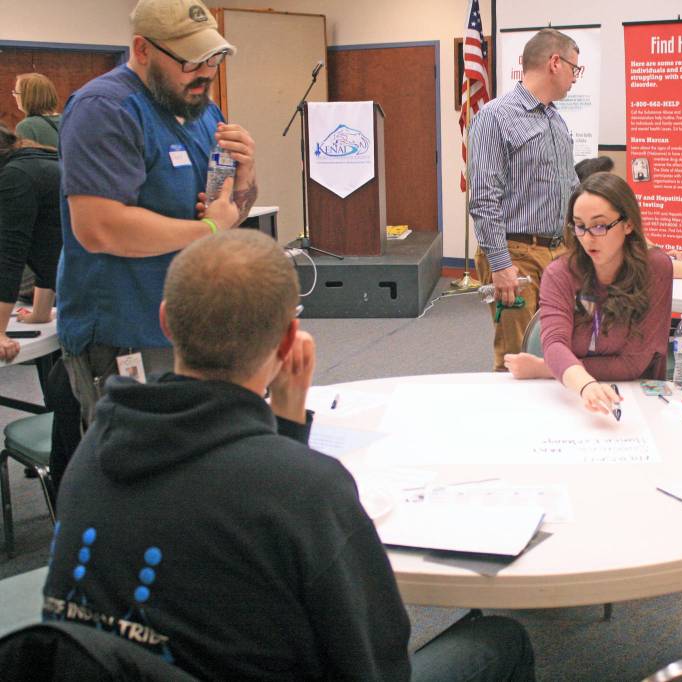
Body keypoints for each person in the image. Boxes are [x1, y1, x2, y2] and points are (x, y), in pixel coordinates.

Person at [42, 230, 535, 682]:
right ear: (286, 340)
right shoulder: (308, 489)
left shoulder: (94, 449)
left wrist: (285, 425)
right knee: (499, 642)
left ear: (166, 320)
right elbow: (378, 662)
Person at [56, 0, 259, 424]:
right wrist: (206, 229)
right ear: (142, 50)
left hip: (193, 323)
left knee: (195, 459)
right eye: (190, 61)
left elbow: (228, 213)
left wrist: (245, 177)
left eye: (213, 58)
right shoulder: (105, 109)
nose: (205, 72)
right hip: (125, 332)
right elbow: (100, 228)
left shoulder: (201, 111)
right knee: (137, 473)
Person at [503, 172, 673, 415]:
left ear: (628, 224)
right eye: (580, 226)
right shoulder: (560, 274)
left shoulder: (655, 268)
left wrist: (548, 368)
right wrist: (584, 385)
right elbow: (555, 345)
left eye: (600, 225)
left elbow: (633, 363)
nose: (587, 238)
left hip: (641, 401)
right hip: (574, 395)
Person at [469, 28, 579, 371]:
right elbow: (484, 197)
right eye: (575, 68)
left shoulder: (555, 121)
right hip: (515, 255)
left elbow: (570, 188)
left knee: (555, 349)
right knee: (516, 358)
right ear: (555, 63)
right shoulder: (495, 117)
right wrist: (501, 265)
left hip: (558, 253)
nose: (576, 78)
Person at [0, 124, 60, 363]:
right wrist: (40, 313)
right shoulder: (34, 161)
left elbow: (9, 255)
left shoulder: (16, 176)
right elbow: (49, 237)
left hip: (93, 295)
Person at [13, 73, 61, 148]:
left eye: (16, 92)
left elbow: (26, 158)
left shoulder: (26, 126)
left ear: (27, 96)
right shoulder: (68, 120)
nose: (14, 96)